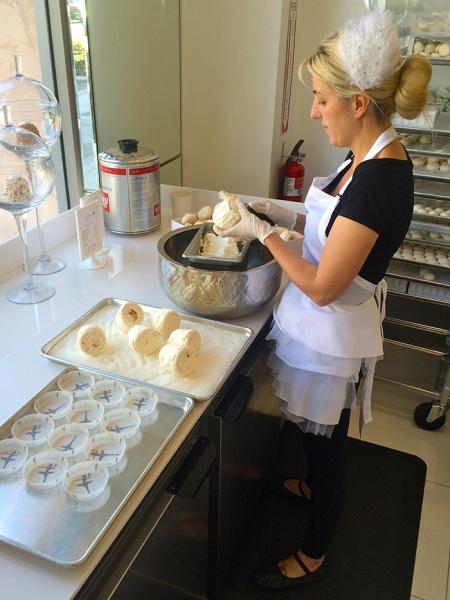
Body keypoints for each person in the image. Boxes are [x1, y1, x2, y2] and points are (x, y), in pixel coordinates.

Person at [213, 10, 431, 591]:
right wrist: (270, 213)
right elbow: (323, 221)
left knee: (329, 447)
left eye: (320, 99)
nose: (313, 111)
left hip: (332, 330)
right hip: (320, 321)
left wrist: (260, 236)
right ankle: (309, 484)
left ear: (358, 102)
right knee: (316, 436)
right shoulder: (365, 155)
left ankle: (314, 551)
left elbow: (323, 284)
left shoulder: (382, 181)